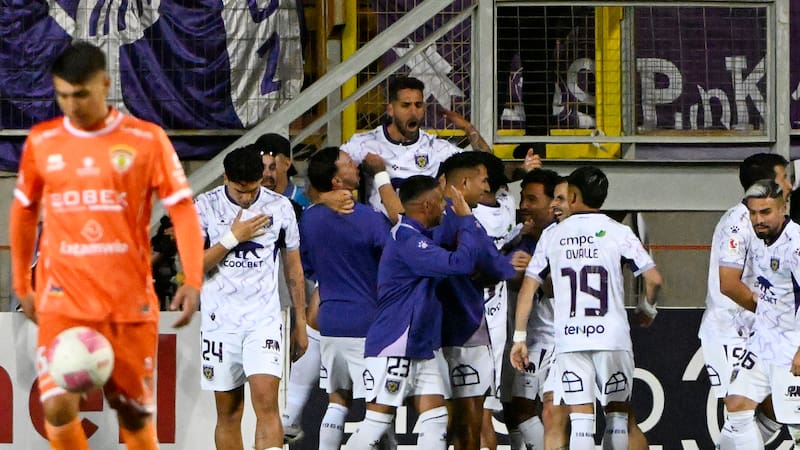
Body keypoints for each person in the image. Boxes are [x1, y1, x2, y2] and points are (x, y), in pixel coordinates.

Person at [9, 41, 204, 450]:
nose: (72, 105)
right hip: (63, 300)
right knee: (56, 406)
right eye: (62, 95)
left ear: (105, 84)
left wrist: (193, 278)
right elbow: (24, 213)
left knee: (133, 418)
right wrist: (22, 283)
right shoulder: (44, 142)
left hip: (127, 305)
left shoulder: (146, 140)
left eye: (81, 94)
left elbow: (183, 210)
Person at [511, 166, 662, 450]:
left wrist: (519, 338)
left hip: (571, 339)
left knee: (581, 422)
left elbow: (528, 288)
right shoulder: (619, 232)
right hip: (612, 337)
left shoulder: (552, 235)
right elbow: (654, 279)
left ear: (573, 195)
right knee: (618, 418)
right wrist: (648, 307)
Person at [343, 175, 484, 450]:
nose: (444, 207)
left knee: (436, 420)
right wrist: (466, 220)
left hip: (420, 346)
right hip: (396, 343)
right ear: (427, 205)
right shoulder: (408, 241)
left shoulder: (414, 235)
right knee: (376, 425)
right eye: (440, 201)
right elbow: (460, 264)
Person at [194, 146, 308, 450]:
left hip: (263, 321)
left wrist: (300, 321)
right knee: (229, 413)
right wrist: (233, 237)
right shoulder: (203, 206)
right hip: (220, 323)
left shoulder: (280, 207)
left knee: (267, 403)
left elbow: (293, 267)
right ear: (225, 178)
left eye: (252, 190)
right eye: (239, 190)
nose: (246, 198)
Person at [299, 147, 392, 449]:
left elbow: (307, 266)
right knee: (379, 408)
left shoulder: (308, 220)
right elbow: (393, 260)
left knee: (337, 401)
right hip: (367, 323)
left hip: (329, 323)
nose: (356, 165)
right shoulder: (369, 219)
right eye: (349, 163)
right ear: (337, 180)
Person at [700, 153, 791, 446]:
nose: (790, 185)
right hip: (732, 330)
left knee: (777, 407)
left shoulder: (777, 225)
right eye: (784, 178)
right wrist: (769, 313)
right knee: (740, 408)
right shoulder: (738, 223)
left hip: (761, 332)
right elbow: (728, 284)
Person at [433, 152, 522, 450]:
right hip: (469, 327)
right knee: (472, 417)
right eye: (482, 181)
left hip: (432, 328)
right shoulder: (468, 222)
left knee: (440, 419)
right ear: (464, 183)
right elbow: (498, 269)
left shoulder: (427, 216)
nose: (486, 187)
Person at [341, 76, 491, 222]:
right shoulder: (365, 143)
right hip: (380, 229)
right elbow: (330, 171)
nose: (413, 112)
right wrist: (330, 197)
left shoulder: (435, 147)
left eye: (418, 105)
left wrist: (469, 128)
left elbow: (488, 166)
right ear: (390, 109)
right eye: (405, 105)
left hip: (426, 232)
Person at [719, 179, 800, 449]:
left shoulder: (796, 245)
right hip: (762, 343)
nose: (758, 220)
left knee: (796, 425)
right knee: (736, 404)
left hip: (791, 345)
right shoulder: (758, 239)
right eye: (753, 213)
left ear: (783, 208)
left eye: (765, 212)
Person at [471, 152, 522, 450]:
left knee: (479, 415)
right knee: (474, 413)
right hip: (494, 320)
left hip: (478, 323)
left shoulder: (466, 215)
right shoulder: (507, 205)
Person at [258, 132, 310, 208]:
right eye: (261, 167)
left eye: (272, 167)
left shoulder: (306, 202)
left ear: (287, 164)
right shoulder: (249, 202)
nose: (266, 174)